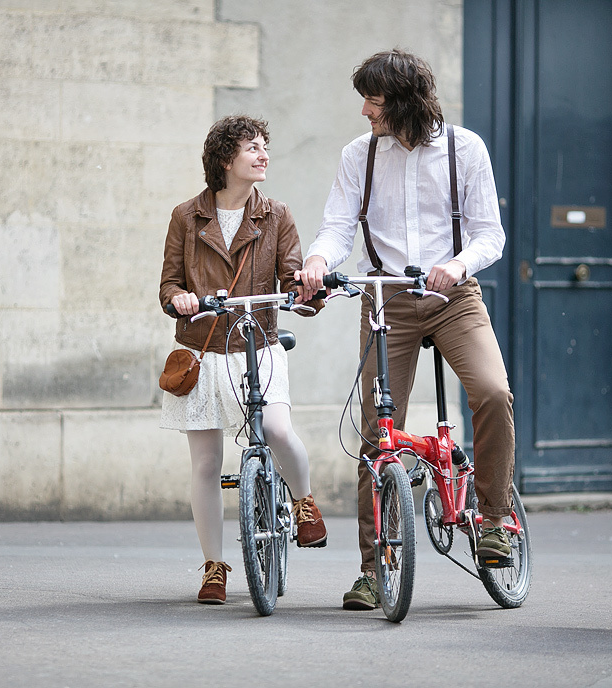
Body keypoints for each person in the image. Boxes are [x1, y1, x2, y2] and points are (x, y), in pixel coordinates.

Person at [296, 49, 515, 610]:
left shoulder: (465, 149)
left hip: (452, 297)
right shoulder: (359, 154)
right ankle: (373, 569)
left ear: (403, 101)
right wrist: (319, 261)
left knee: (492, 393)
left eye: (373, 100)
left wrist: (459, 265)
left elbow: (490, 234)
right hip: (385, 300)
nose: (365, 111)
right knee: (376, 431)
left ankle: (493, 519)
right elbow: (338, 224)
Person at [160, 115, 328, 605]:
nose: (262, 155)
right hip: (203, 347)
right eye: (252, 148)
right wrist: (182, 300)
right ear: (224, 158)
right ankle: (215, 566)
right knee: (206, 463)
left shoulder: (277, 215)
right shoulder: (185, 216)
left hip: (258, 343)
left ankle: (302, 501)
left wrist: (305, 294)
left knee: (276, 431)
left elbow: (295, 276)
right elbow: (168, 285)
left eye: (264, 147)